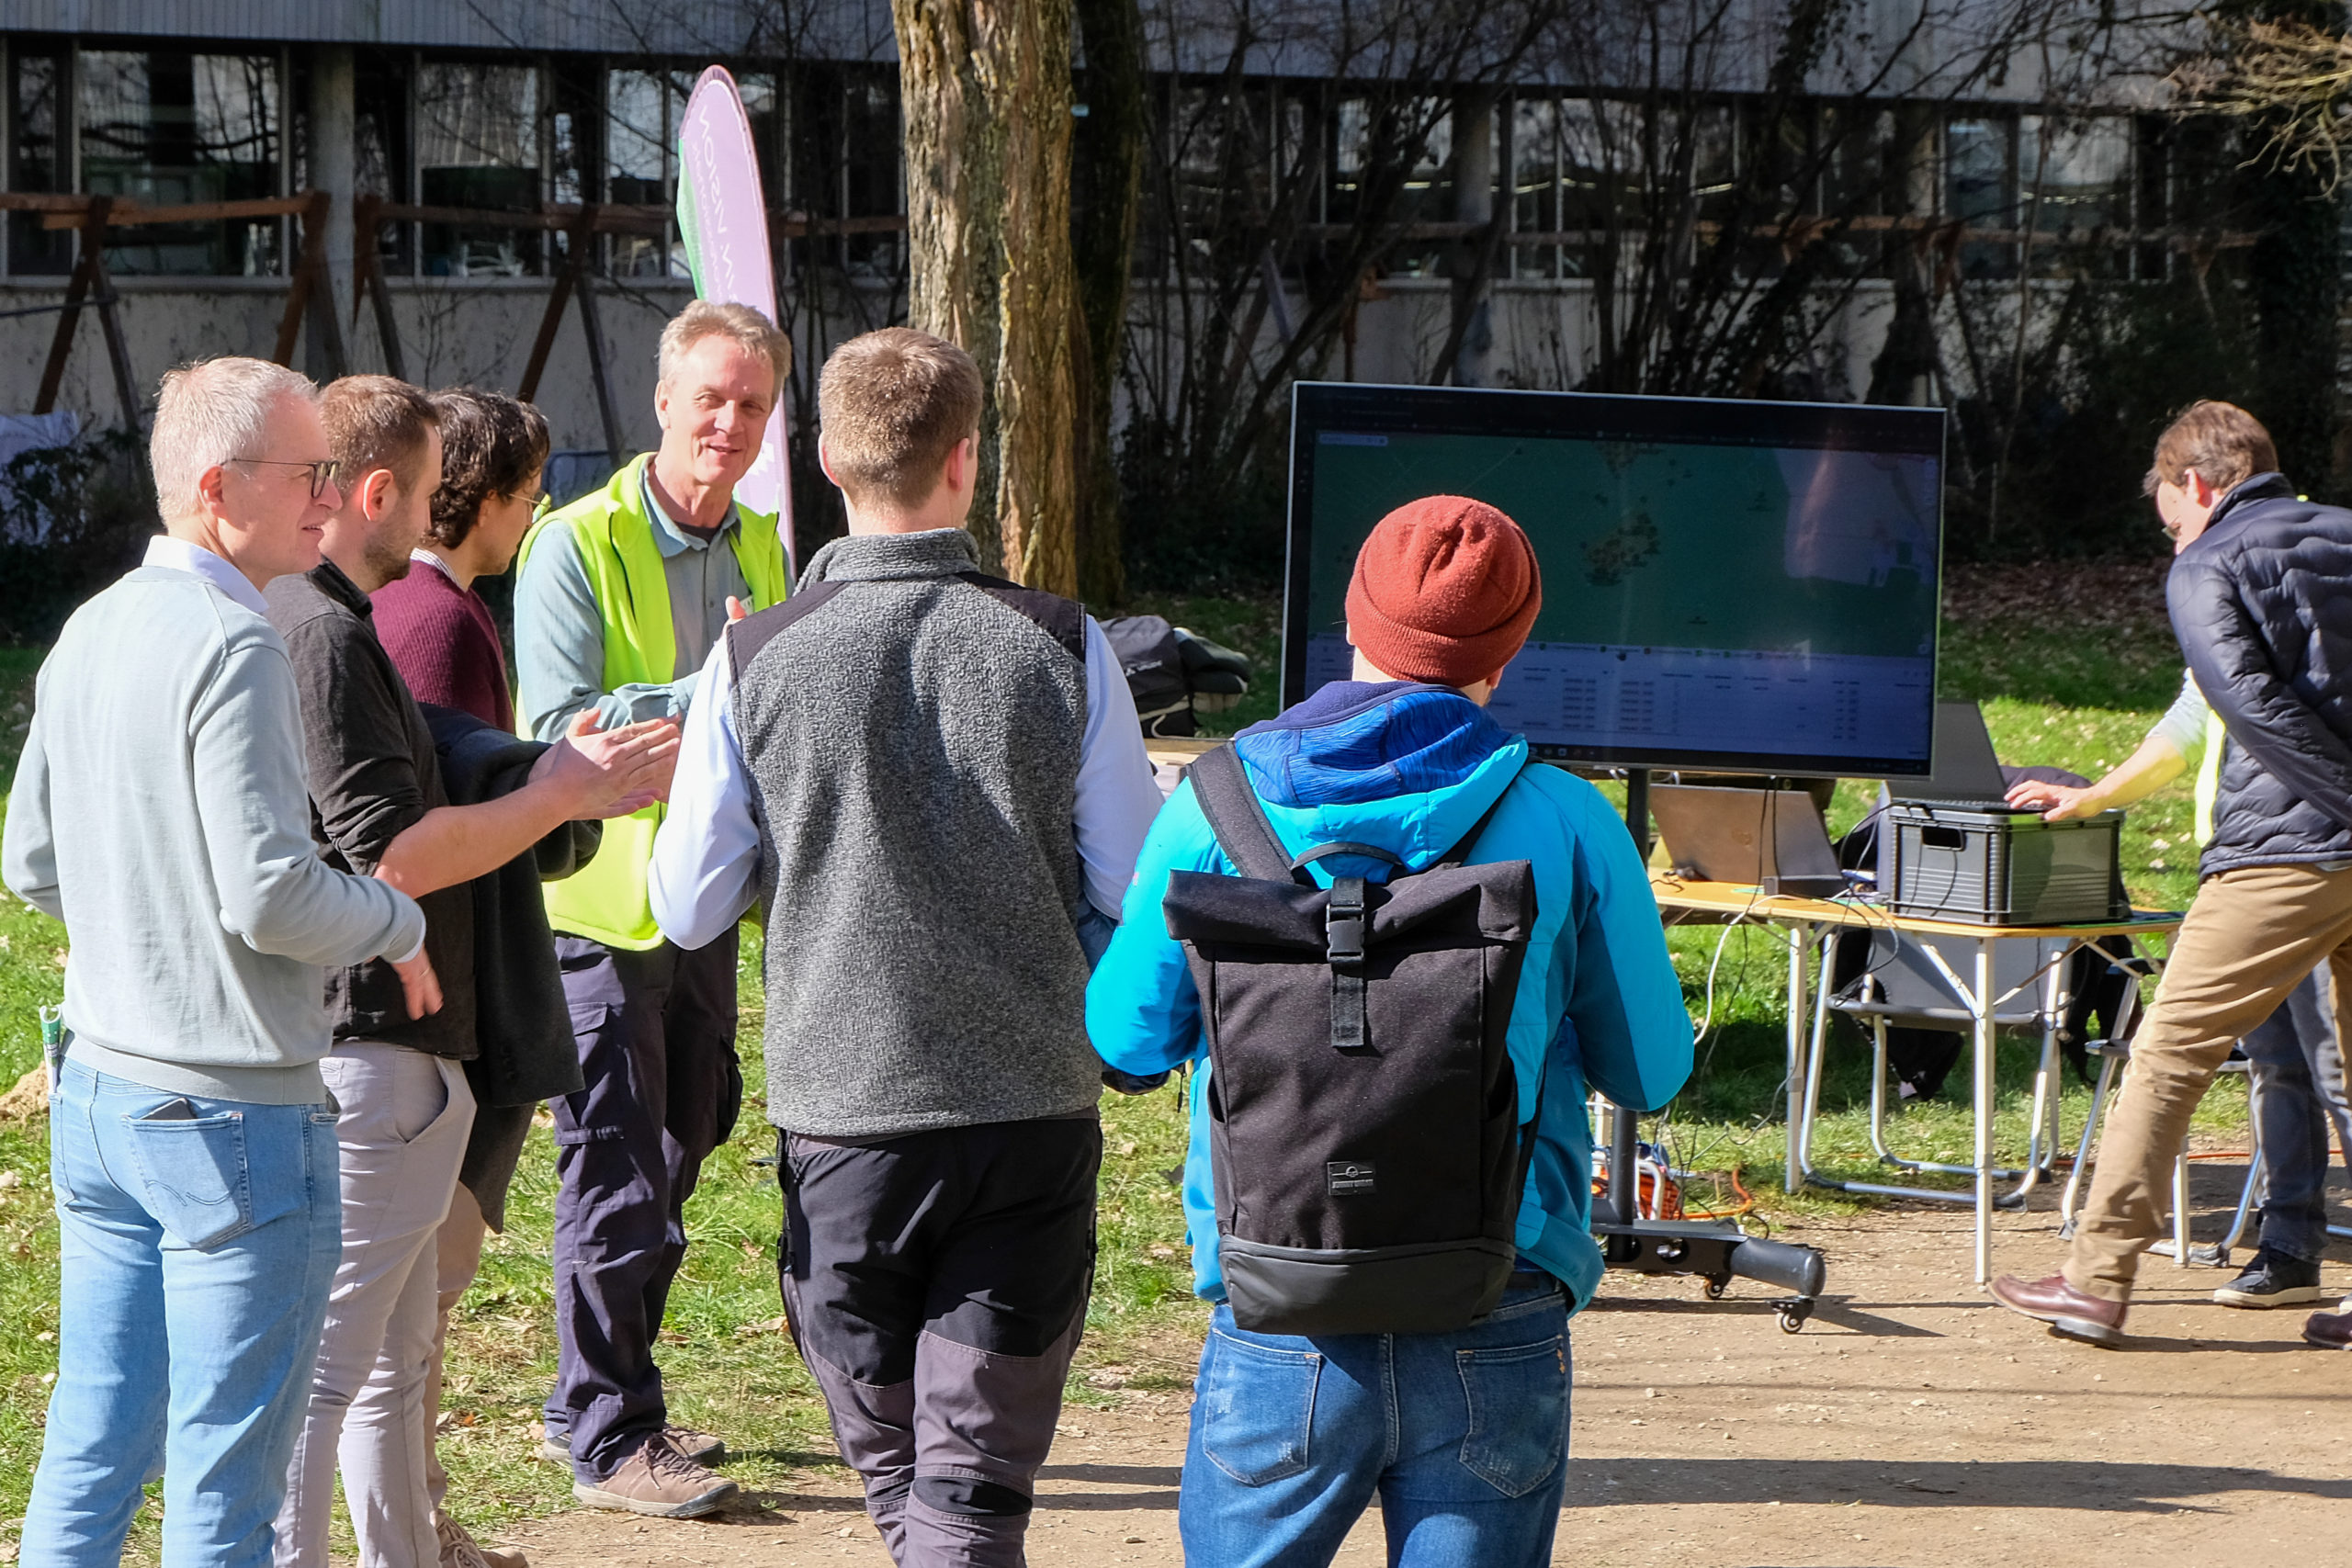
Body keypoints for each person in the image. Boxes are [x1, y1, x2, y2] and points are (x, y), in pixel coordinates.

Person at [1088, 494, 1695, 1567]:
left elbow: (1127, 1039)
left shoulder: (1213, 803)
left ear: (1355, 621)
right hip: (1497, 1290)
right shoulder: (1567, 816)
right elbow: (1649, 1070)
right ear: (1507, 649)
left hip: (1282, 1299)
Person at [649, 326, 1163, 1564]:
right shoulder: (1062, 640)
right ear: (966, 461)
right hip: (1027, 1113)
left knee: (927, 1494)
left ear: (825, 455)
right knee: (962, 1495)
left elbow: (686, 904)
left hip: (846, 1121)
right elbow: (1135, 884)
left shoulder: (751, 656)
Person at [3, 357, 435, 1568]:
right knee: (227, 1493)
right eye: (309, 473)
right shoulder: (236, 641)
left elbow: (31, 855)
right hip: (234, 1118)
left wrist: (143, 929)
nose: (331, 495)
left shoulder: (92, 623)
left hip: (102, 1095)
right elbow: (270, 895)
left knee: (87, 1452)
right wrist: (397, 921)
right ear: (213, 486)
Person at [269, 377, 677, 1568]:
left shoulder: (341, 616)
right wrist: (559, 792)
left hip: (395, 1037)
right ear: (383, 488)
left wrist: (552, 777)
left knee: (387, 1352)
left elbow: (441, 767)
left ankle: (416, 1545)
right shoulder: (360, 623)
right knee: (342, 1358)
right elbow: (398, 838)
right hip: (389, 1038)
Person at [1990, 400, 2352, 1350]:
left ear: (2197, 484)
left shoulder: (2209, 563)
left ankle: (2095, 1277)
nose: (2172, 537)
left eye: (2170, 519)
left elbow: (2247, 703)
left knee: (2166, 1057)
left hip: (2285, 851)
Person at [513, 300, 795, 1516]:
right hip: (600, 909)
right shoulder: (573, 542)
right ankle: (609, 1436)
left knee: (693, 1127)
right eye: (711, 399)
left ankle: (603, 1384)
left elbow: (780, 720)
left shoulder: (773, 544)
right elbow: (557, 727)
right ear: (664, 403)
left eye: (753, 404)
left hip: (706, 905)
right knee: (616, 1165)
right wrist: (718, 684)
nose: (729, 422)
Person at [369, 386, 576, 1568]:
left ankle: (422, 1528)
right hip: (439, 1006)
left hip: (427, 999)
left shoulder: (406, 606)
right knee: (416, 1311)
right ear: (488, 498)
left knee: (407, 1315)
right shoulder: (435, 620)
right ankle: (419, 1536)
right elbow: (460, 832)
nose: (535, 511)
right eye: (528, 490)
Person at [2007, 665, 2350, 1312]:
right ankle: (2291, 1248)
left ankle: (2099, 1278)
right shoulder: (2231, 615)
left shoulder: (2280, 601)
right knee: (2278, 1067)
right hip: (2245, 866)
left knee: (2335, 1072)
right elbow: (2187, 726)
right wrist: (2096, 795)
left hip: (2309, 865)